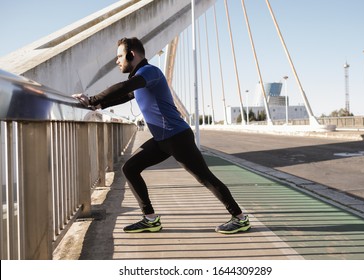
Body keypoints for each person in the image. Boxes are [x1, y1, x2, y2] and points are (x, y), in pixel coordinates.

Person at [73, 37, 250, 234]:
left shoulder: (149, 72)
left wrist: (92, 98)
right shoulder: (141, 79)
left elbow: (125, 88)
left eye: (120, 57)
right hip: (162, 140)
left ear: (132, 55)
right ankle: (150, 218)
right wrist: (99, 104)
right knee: (130, 168)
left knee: (205, 177)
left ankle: (240, 218)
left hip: (177, 137)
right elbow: (126, 95)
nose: (117, 61)